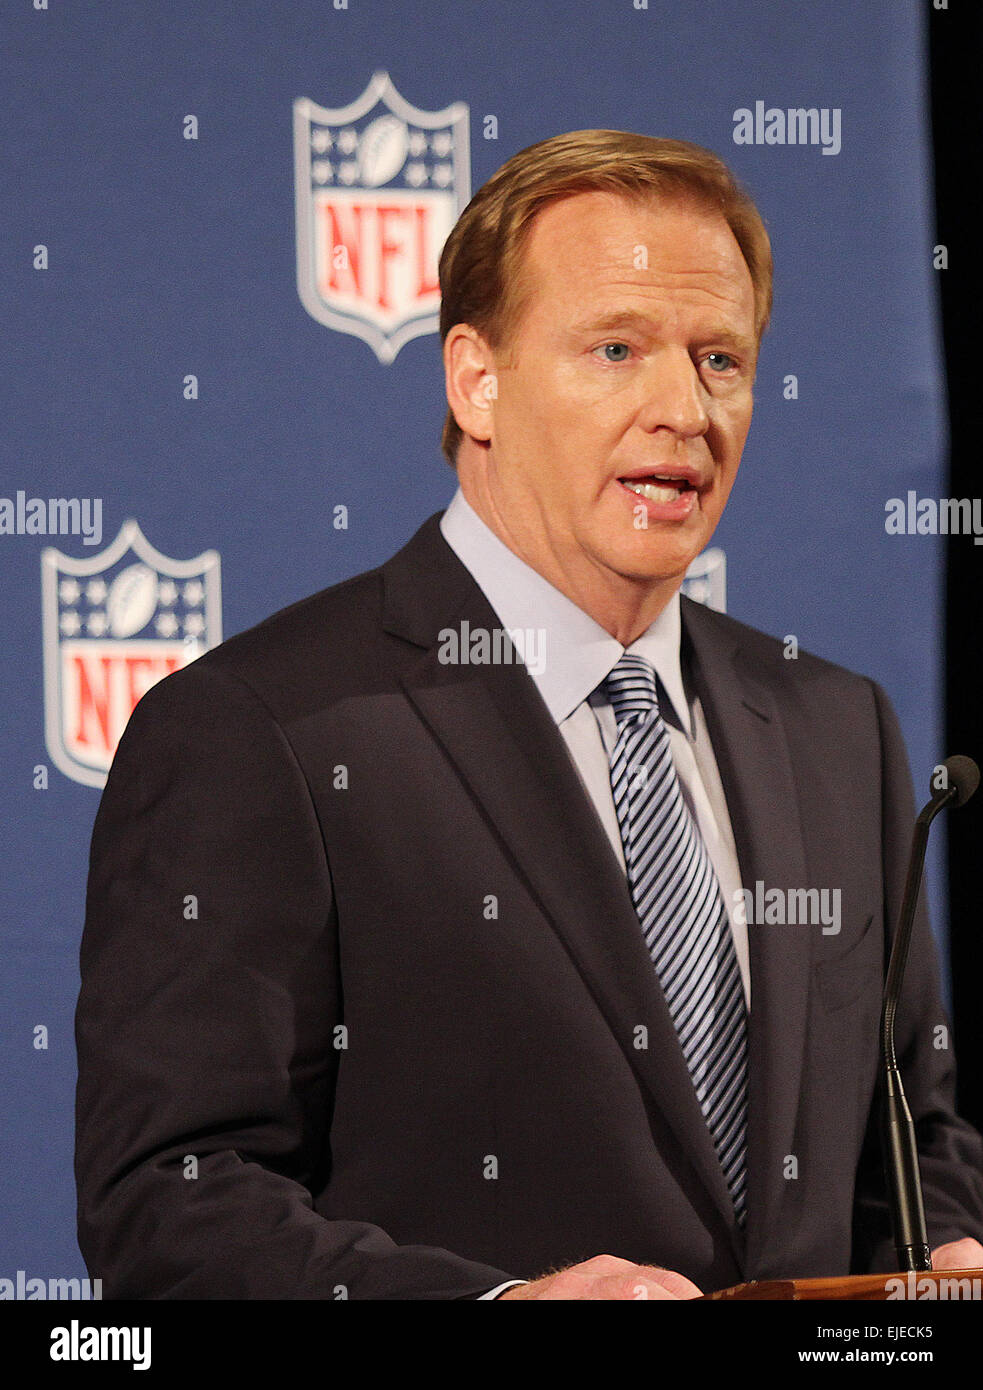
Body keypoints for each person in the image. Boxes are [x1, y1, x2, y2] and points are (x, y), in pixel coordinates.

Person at [75, 130, 983, 1301]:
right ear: (475, 380)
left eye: (719, 359)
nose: (682, 409)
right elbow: (173, 1201)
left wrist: (943, 1255)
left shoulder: (833, 728)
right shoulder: (266, 731)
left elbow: (909, 1142)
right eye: (615, 348)